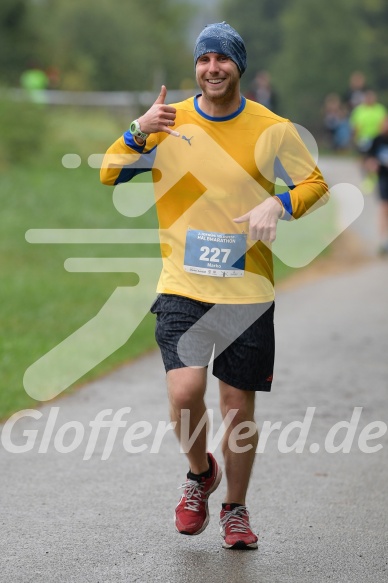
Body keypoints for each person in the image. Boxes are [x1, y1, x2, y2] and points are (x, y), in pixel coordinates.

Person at [100, 22, 328, 550]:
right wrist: (138, 129)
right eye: (204, 60)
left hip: (246, 292)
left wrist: (280, 201)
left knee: (236, 407)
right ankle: (201, 474)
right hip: (182, 283)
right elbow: (109, 172)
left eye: (222, 60)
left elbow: (314, 182)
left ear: (238, 67)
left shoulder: (271, 128)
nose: (212, 69)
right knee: (184, 393)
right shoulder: (168, 122)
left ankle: (235, 510)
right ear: (195, 67)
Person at [365, 117, 388, 254]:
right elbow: (369, 159)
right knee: (384, 208)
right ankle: (382, 240)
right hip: (383, 178)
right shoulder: (377, 140)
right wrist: (372, 166)